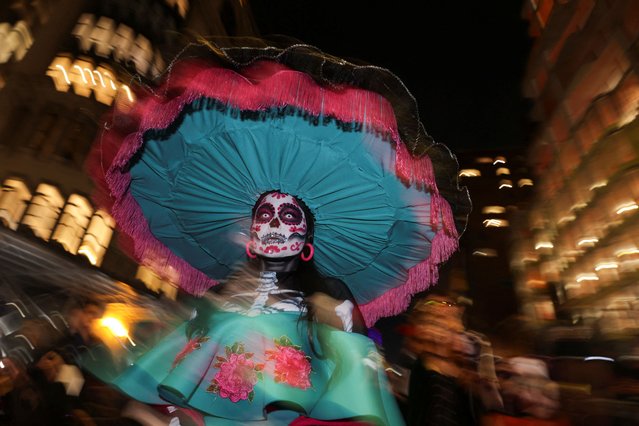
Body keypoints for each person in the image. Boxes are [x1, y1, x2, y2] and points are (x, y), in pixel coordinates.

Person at [85, 37, 470, 425]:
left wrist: (332, 322)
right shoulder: (223, 292)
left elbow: (355, 364)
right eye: (264, 216)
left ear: (306, 238)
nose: (272, 225)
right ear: (251, 234)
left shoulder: (330, 295)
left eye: (287, 217)